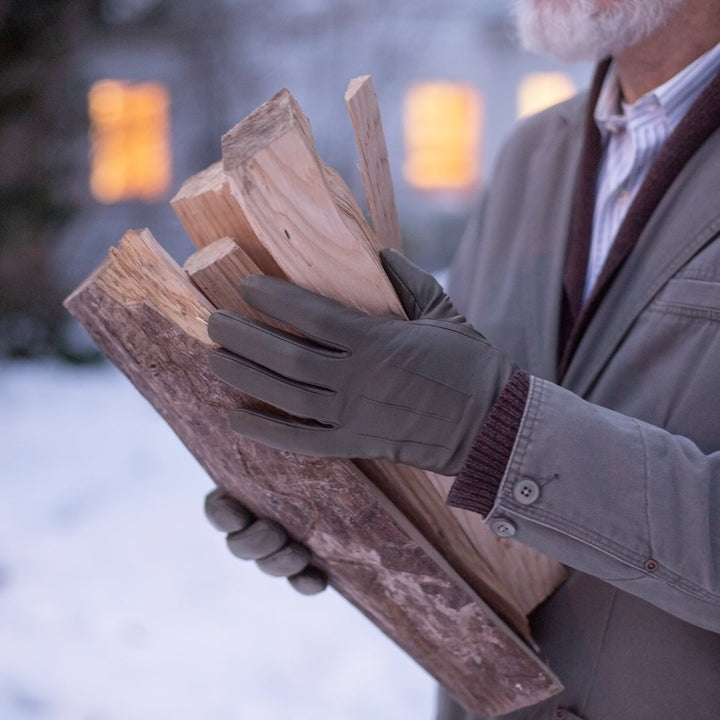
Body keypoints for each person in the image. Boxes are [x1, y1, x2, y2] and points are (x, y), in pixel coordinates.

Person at [204, 0, 720, 717]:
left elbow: (486, 426)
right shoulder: (532, 155)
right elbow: (459, 455)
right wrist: (342, 498)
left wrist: (492, 431)